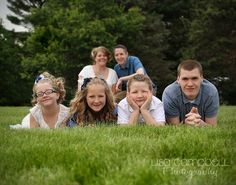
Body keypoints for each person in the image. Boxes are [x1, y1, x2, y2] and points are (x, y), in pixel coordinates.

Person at [162, 59, 219, 126]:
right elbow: (173, 127)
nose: (190, 84)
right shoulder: (169, 93)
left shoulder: (211, 92)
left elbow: (212, 126)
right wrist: (185, 124)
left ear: (202, 78)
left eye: (194, 78)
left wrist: (201, 124)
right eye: (185, 79)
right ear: (178, 80)